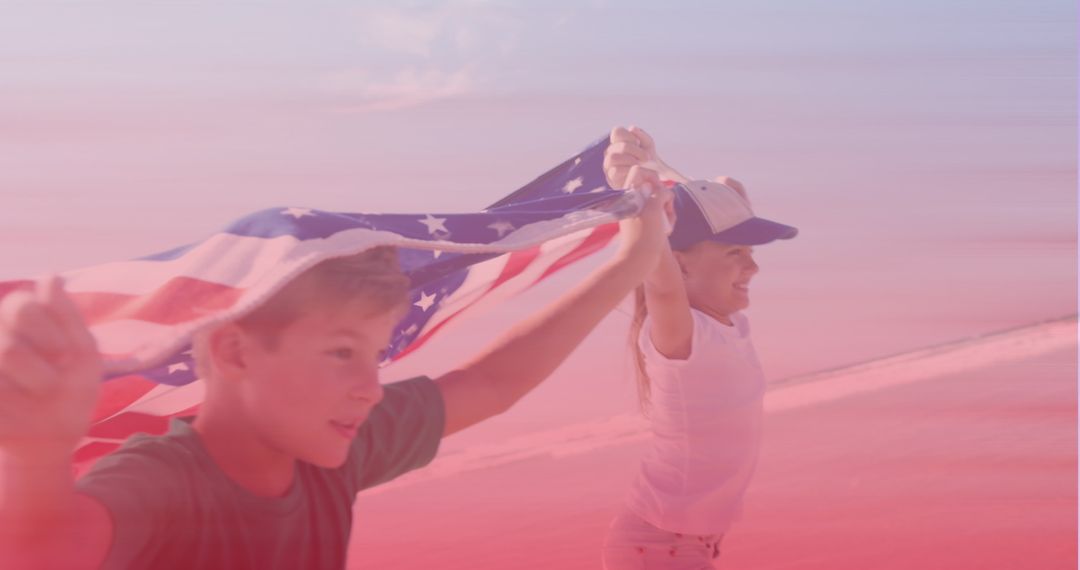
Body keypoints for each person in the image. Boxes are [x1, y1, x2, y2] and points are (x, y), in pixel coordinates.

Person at [0, 168, 672, 570]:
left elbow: (491, 384)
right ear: (234, 352)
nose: (370, 385)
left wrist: (629, 266)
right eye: (341, 351)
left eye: (376, 353)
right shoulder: (163, 479)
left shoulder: (331, 452)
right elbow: (46, 555)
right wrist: (38, 454)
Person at [600, 126, 798, 569]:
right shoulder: (681, 335)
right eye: (735, 255)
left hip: (687, 544)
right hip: (658, 548)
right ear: (680, 265)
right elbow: (660, 270)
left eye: (750, 252)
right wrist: (634, 195)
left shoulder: (729, 323)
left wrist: (669, 173)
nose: (754, 266)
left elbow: (728, 195)